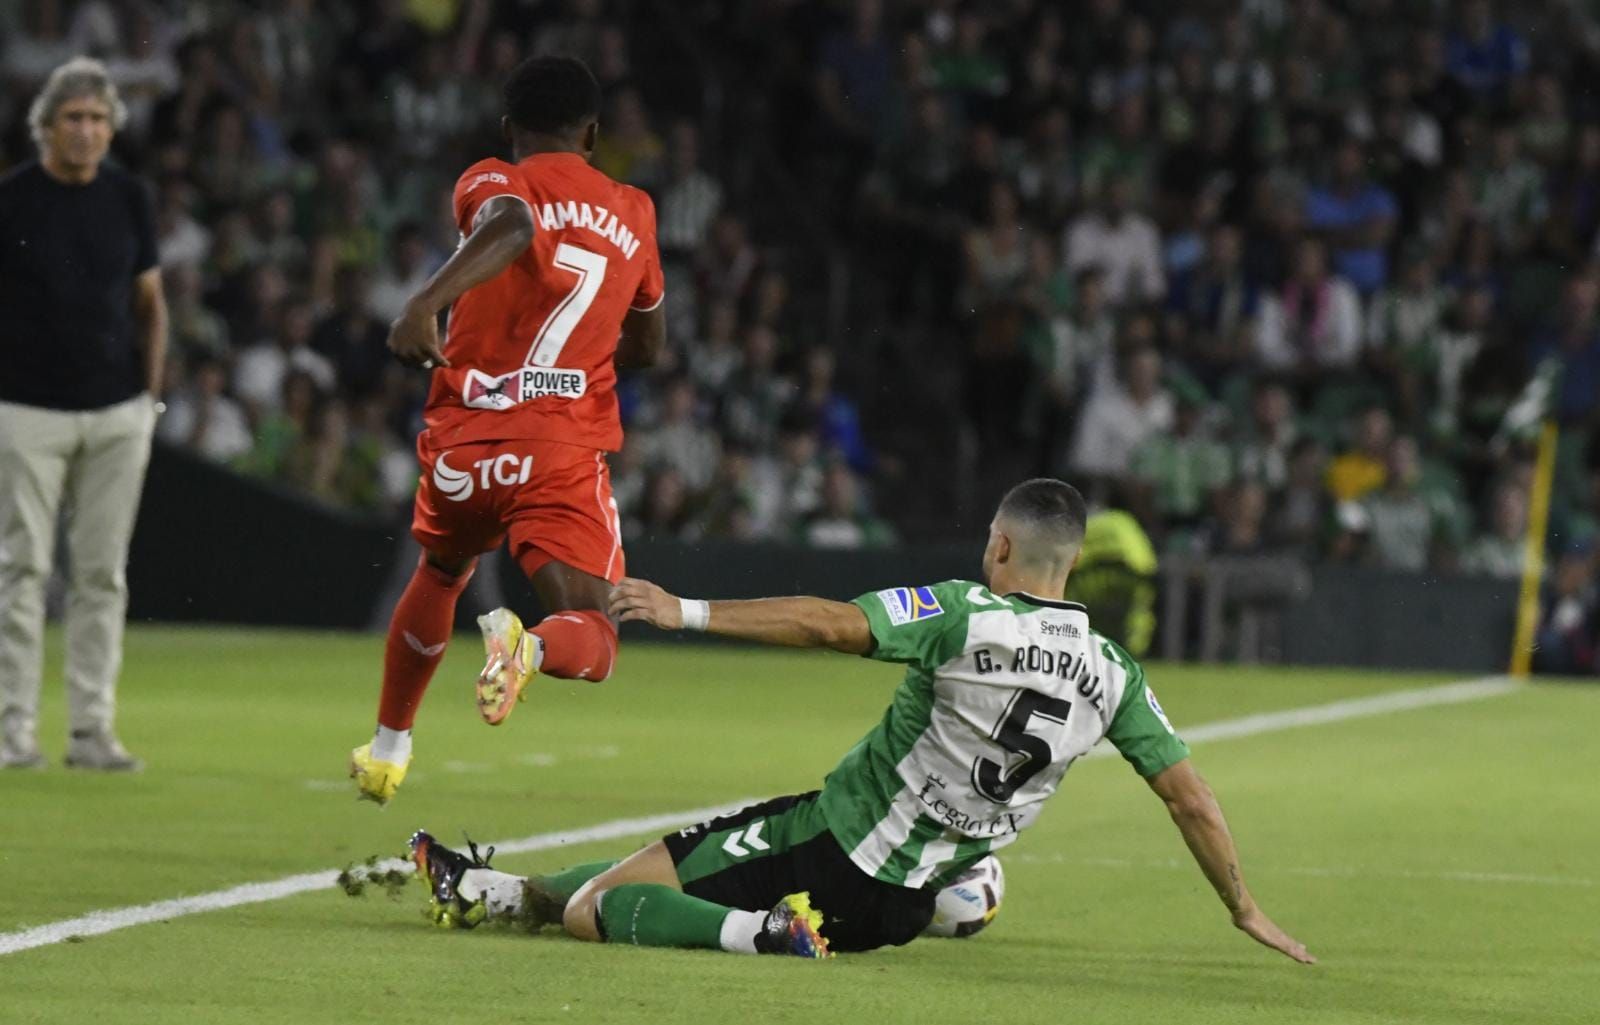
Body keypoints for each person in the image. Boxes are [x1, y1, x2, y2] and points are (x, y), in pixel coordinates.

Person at [406, 480, 1315, 963]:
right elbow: (1190, 796)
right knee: (692, 853)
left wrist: (683, 609)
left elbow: (827, 622)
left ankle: (762, 934)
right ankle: (496, 891)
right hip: (903, 903)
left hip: (830, 849)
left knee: (602, 910)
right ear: (1070, 564)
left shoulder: (965, 612)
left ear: (1001, 546)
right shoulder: (1115, 673)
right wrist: (1244, 906)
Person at [349, 55, 666, 803]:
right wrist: (581, 362)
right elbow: (649, 346)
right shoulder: (633, 210)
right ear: (591, 134)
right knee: (594, 626)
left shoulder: (491, 175)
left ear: (507, 128)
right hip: (558, 448)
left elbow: (513, 219)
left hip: (466, 440)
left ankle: (390, 747)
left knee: (440, 571)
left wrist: (425, 301)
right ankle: (530, 647)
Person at [0, 58, 167, 772]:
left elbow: (152, 304)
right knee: (22, 569)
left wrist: (149, 399)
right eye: (74, 117)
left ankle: (91, 730)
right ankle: (13, 731)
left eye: (99, 119)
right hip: (25, 407)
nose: (88, 131)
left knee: (103, 575)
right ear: (45, 126)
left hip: (116, 408)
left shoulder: (130, 197)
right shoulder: (11, 199)